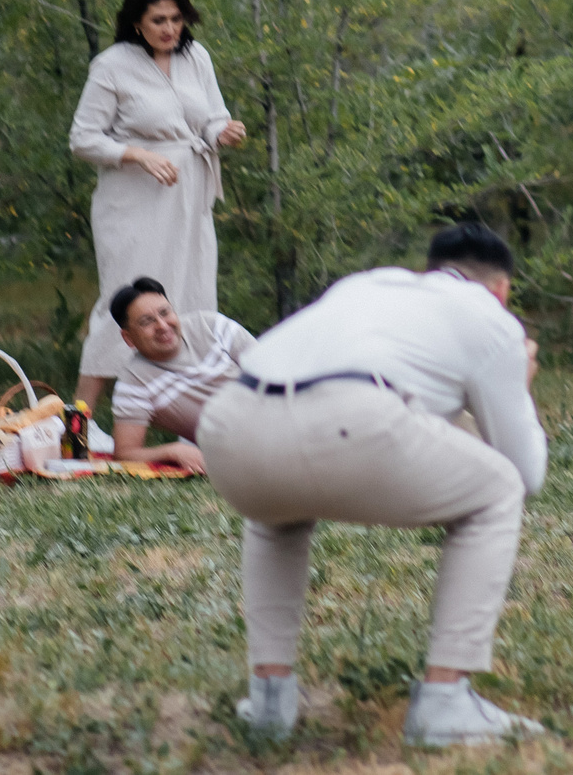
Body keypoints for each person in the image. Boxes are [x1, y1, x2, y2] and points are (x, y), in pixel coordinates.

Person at [199, 222, 548, 749]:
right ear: (500, 290)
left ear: (429, 271)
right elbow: (527, 471)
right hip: (350, 419)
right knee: (500, 490)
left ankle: (270, 700)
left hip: (229, 426)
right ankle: (447, 701)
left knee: (275, 514)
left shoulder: (365, 285)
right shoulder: (491, 319)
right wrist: (518, 383)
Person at [68, 0, 246, 409]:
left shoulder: (196, 57)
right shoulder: (112, 66)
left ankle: (196, 415)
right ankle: (80, 419)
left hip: (190, 197)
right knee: (126, 301)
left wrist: (223, 131)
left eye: (176, 19)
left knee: (190, 299)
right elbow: (83, 138)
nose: (169, 29)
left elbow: (210, 117)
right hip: (133, 201)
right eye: (158, 21)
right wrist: (139, 155)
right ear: (136, 23)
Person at [106, 277, 256, 473]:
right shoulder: (135, 382)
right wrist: (173, 451)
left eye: (165, 312)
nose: (162, 325)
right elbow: (125, 454)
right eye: (147, 321)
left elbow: (274, 371)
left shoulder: (211, 326)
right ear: (128, 338)